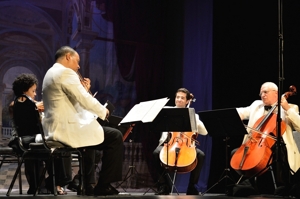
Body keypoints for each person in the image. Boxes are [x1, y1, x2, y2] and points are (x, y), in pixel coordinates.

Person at [42, 46, 123, 196]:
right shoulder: (65, 72)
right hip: (66, 130)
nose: (78, 66)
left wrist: (82, 91)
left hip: (55, 128)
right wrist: (103, 111)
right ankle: (104, 184)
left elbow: (71, 101)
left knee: (91, 138)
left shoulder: (50, 73)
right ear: (68, 56)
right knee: (115, 136)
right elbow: (84, 99)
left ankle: (86, 185)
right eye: (77, 61)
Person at [232, 82, 300, 197]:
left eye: (265, 92)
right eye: (261, 93)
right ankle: (247, 186)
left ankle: (282, 186)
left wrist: (287, 108)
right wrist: (235, 114)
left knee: (279, 151)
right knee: (235, 153)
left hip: (279, 148)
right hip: (256, 145)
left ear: (276, 94)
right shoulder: (256, 105)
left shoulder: (290, 107)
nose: (262, 95)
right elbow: (241, 112)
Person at [9, 73, 71, 195]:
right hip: (25, 140)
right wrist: (34, 108)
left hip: (34, 138)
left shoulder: (32, 103)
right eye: (33, 91)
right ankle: (51, 184)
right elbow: (21, 108)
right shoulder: (19, 103)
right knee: (58, 145)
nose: (35, 93)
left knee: (58, 144)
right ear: (24, 91)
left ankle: (53, 184)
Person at [152, 88, 208, 195]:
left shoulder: (193, 115)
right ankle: (163, 185)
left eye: (182, 98)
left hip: (186, 145)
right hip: (168, 144)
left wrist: (194, 120)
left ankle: (192, 187)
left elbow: (204, 132)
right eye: (177, 97)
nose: (179, 100)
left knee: (201, 155)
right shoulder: (167, 111)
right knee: (155, 153)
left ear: (187, 101)